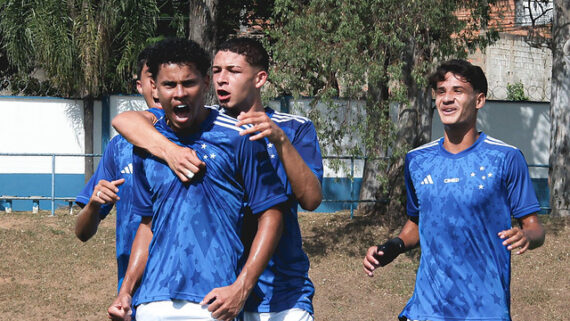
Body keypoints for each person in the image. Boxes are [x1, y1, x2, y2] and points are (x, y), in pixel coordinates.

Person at [111, 37, 323, 321]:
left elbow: (310, 200)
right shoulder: (192, 124)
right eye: (216, 70)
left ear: (259, 78)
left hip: (278, 291)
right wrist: (171, 152)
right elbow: (125, 121)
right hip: (214, 289)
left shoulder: (291, 128)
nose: (222, 79)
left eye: (233, 71)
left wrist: (280, 140)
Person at [363, 59, 545, 321]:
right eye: (441, 91)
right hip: (427, 310)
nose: (447, 99)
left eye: (457, 91)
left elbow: (535, 227)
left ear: (479, 100)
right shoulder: (417, 160)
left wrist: (527, 236)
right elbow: (416, 223)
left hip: (485, 310)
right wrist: (391, 247)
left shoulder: (506, 158)